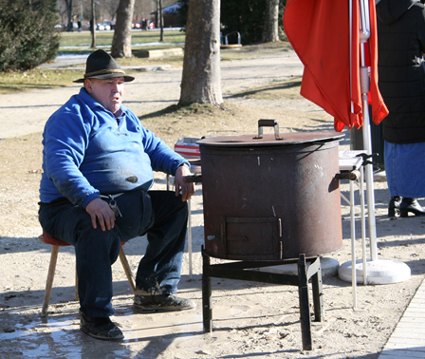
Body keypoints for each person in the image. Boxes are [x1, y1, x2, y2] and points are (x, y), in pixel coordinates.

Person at [38, 49, 196, 341]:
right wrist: (90, 199)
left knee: (175, 205)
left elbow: (154, 146)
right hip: (68, 207)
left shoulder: (126, 116)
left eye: (120, 82)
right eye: (108, 82)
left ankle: (154, 292)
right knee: (95, 224)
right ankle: (95, 316)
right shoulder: (71, 117)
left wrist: (180, 165)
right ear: (88, 85)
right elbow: (60, 166)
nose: (117, 88)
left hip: (125, 205)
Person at [376, 0, 425, 217]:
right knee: (415, 137)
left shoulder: (375, 11)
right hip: (413, 83)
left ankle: (397, 197)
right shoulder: (418, 12)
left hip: (384, 84)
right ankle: (409, 198)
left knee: (393, 136)